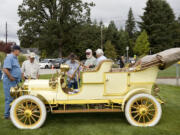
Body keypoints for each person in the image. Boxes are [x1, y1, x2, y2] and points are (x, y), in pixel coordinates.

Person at [2, 45, 22, 119]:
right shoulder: (9, 57)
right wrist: (11, 77)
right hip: (9, 81)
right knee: (9, 98)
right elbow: (5, 69)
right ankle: (7, 115)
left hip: (14, 81)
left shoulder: (15, 58)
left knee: (14, 98)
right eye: (19, 51)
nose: (19, 52)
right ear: (15, 50)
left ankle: (12, 113)